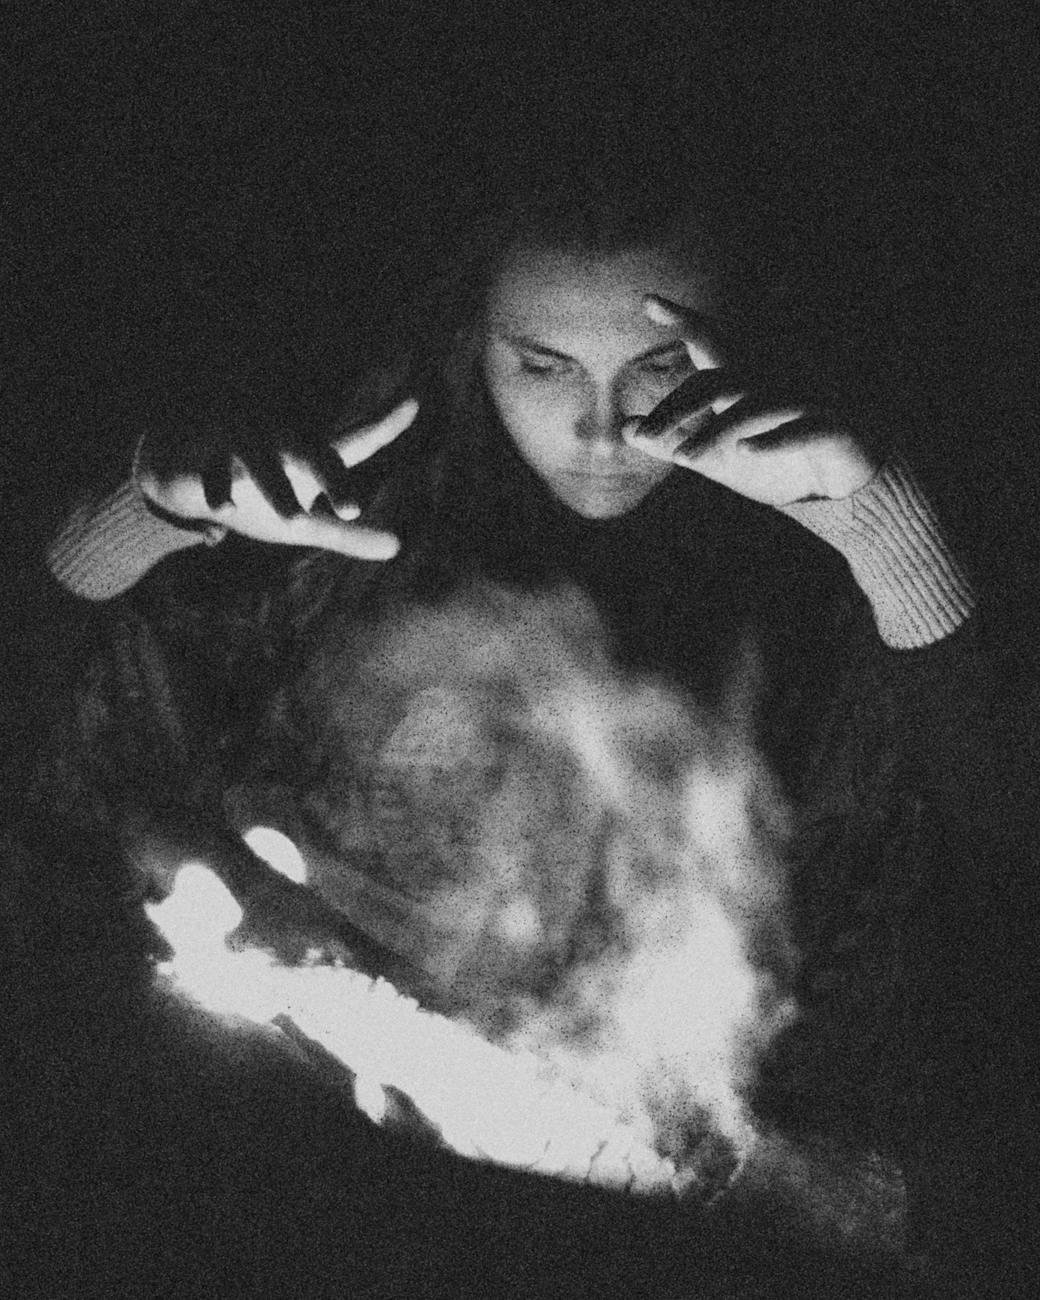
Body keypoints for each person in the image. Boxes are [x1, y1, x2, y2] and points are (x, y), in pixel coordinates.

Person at [10, 165, 1036, 1287]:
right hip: (308, 1171)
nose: (601, 428)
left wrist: (884, 535)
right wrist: (144, 519)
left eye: (654, 366)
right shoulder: (342, 533)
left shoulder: (824, 587)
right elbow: (64, 763)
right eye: (541, 364)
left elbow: (997, 858)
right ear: (471, 344)